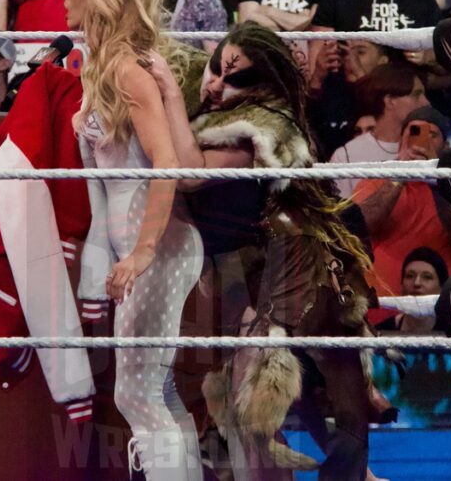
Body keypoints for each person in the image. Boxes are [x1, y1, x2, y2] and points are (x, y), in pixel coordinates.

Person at [146, 24, 378, 480]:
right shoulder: (217, 108)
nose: (214, 83)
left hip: (268, 277)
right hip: (227, 276)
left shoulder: (258, 127)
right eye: (216, 66)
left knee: (255, 413)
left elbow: (189, 175)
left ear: (263, 87)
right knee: (250, 413)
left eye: (232, 77)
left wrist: (171, 95)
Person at [62, 0, 204, 479]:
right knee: (153, 390)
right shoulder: (100, 66)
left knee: (136, 393)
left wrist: (143, 251)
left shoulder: (127, 70)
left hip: (159, 243)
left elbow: (166, 163)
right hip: (137, 240)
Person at [353, 105, 451, 296]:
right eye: (414, 132)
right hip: (384, 301)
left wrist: (437, 180)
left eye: (433, 134)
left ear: (446, 147)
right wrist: (399, 176)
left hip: (442, 305)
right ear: (400, 141)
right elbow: (359, 226)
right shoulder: (377, 178)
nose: (423, 140)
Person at [328, 62, 429, 198]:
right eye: (417, 94)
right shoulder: (347, 156)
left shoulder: (427, 146)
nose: (426, 103)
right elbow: (341, 216)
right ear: (390, 101)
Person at [376, 247, 448, 333]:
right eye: (410, 276)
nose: (416, 283)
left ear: (442, 288)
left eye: (427, 277)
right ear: (401, 285)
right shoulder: (380, 332)